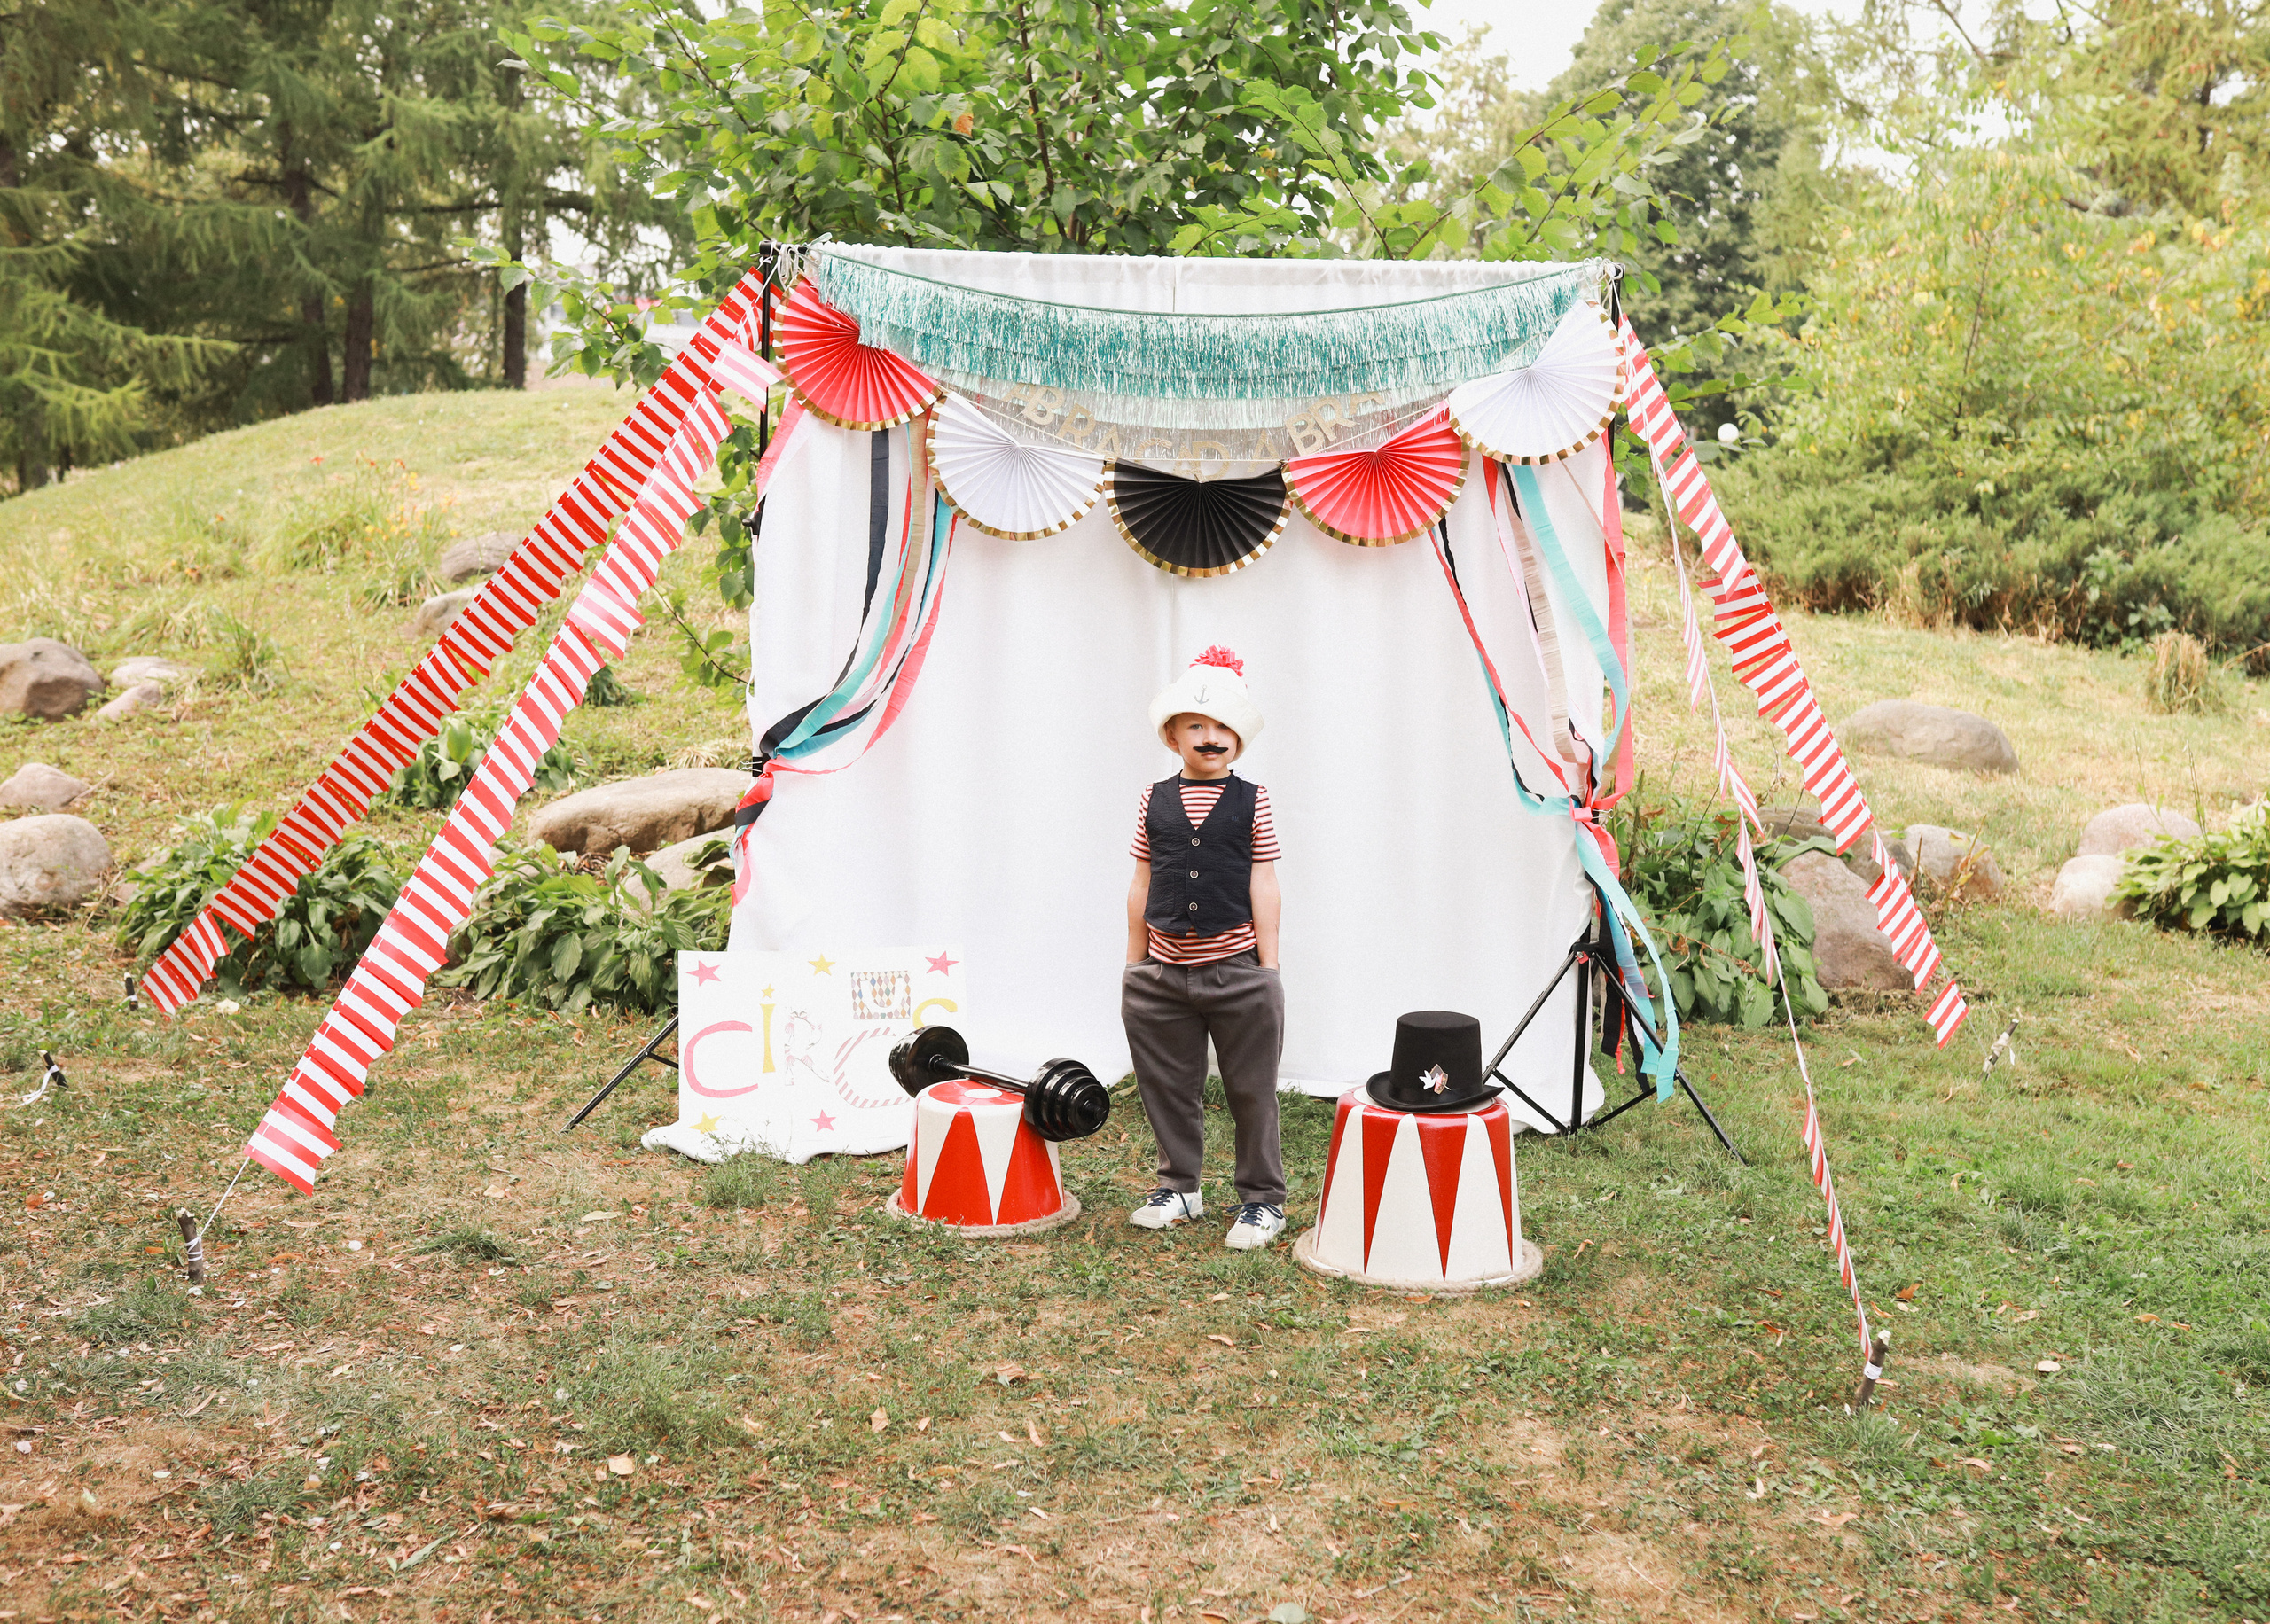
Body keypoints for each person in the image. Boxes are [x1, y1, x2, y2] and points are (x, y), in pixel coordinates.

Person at [1120, 646, 1286, 1251]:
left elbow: (1263, 880)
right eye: (1195, 726)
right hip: (1161, 973)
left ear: (1239, 739)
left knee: (1251, 1090)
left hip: (1237, 970)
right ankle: (1180, 1187)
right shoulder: (1154, 798)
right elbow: (1142, 880)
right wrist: (1136, 963)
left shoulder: (1253, 799)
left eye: (1222, 727)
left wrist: (1267, 969)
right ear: (1172, 737)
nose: (1210, 737)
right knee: (1167, 1085)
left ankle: (1263, 1199)